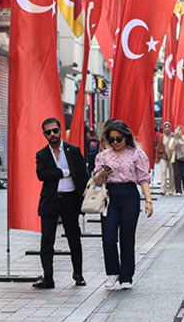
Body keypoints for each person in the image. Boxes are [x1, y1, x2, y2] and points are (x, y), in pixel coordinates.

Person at [92, 119, 154, 290]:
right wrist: (103, 174)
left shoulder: (136, 155)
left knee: (127, 237)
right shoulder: (103, 156)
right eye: (112, 139)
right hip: (110, 195)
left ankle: (126, 276)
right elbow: (96, 181)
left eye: (119, 139)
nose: (116, 142)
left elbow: (143, 179)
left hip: (129, 195)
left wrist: (148, 201)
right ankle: (112, 273)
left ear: (126, 137)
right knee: (108, 237)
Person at [33, 117, 87, 289]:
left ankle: (78, 274)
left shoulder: (73, 150)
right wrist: (62, 172)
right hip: (50, 200)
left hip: (70, 199)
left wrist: (83, 200)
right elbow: (41, 175)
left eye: (55, 130)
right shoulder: (41, 154)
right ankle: (48, 277)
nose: (52, 134)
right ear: (44, 134)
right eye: (48, 132)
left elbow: (82, 175)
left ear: (60, 131)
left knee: (73, 238)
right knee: (47, 241)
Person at [171, 126, 184, 194]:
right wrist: (174, 139)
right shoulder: (173, 139)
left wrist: (181, 138)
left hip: (183, 157)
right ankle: (178, 190)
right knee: (177, 175)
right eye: (177, 130)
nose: (178, 132)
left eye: (179, 130)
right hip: (176, 158)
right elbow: (170, 147)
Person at [156, 122, 173, 194]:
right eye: (165, 127)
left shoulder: (173, 136)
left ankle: (171, 189)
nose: (167, 129)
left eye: (168, 127)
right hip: (163, 156)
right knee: (163, 172)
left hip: (172, 157)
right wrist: (157, 157)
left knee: (172, 173)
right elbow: (158, 147)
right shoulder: (161, 137)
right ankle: (163, 188)